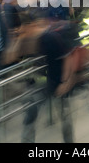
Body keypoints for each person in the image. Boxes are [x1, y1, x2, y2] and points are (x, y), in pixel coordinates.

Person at [21, 10, 78, 143]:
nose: (21, 32)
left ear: (30, 25)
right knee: (30, 115)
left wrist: (65, 82)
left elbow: (68, 57)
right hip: (43, 84)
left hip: (58, 83)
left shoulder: (49, 38)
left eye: (23, 28)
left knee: (65, 117)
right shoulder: (31, 40)